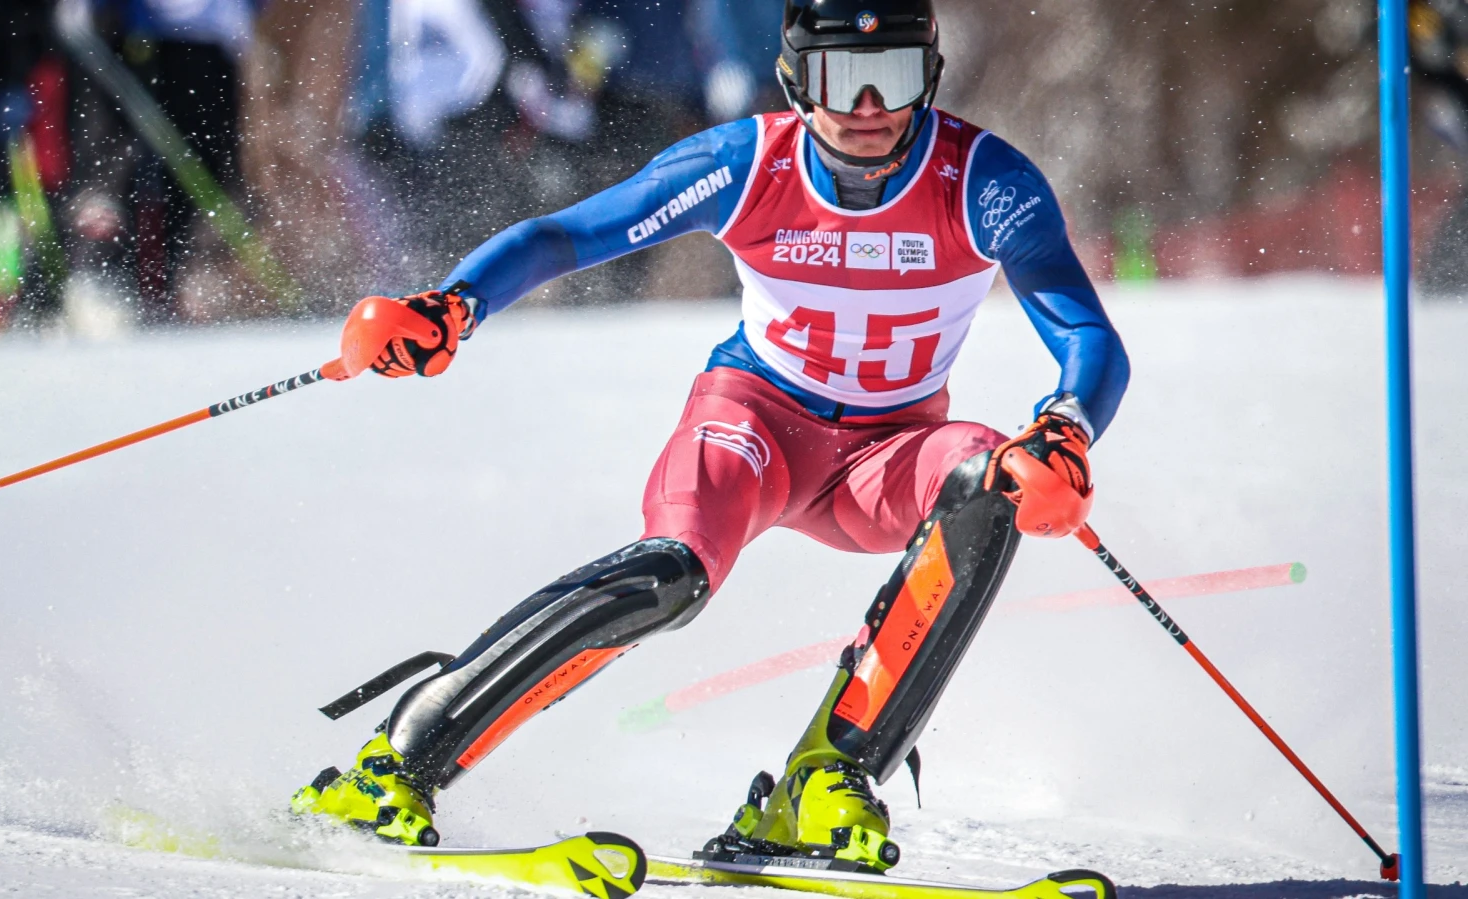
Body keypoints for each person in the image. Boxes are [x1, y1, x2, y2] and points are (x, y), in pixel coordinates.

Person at [292, 0, 1129, 872]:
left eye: (898, 77)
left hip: (888, 459)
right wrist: (453, 305)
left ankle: (827, 778)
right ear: (797, 81)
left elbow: (1088, 335)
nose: (871, 106)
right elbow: (569, 234)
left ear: (933, 77)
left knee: (995, 475)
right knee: (670, 575)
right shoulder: (747, 165)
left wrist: (1064, 431)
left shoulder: (982, 180)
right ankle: (398, 760)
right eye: (843, 77)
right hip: (756, 427)